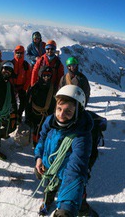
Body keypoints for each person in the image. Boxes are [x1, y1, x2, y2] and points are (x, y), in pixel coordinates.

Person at [34, 85, 93, 217]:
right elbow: (42, 139)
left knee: (78, 192)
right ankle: (47, 201)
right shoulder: (50, 121)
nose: (61, 115)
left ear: (77, 112)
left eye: (68, 112)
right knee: (49, 188)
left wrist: (67, 208)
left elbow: (75, 170)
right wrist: (38, 157)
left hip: (66, 173)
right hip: (50, 168)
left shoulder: (81, 136)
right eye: (59, 109)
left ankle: (79, 209)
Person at [25, 66, 56, 147]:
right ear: (40, 75)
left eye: (48, 75)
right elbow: (28, 103)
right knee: (36, 130)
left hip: (47, 115)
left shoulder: (53, 89)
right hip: (35, 114)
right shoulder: (34, 88)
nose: (46, 77)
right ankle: (36, 145)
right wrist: (27, 116)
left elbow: (54, 103)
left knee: (45, 132)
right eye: (44, 75)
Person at [10, 45, 32, 123]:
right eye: (17, 53)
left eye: (21, 53)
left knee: (23, 102)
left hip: (22, 87)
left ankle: (19, 115)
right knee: (12, 103)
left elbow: (29, 77)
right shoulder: (11, 63)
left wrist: (24, 88)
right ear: (15, 53)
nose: (19, 54)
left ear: (23, 54)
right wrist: (11, 86)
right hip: (12, 86)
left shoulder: (26, 65)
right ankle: (13, 116)